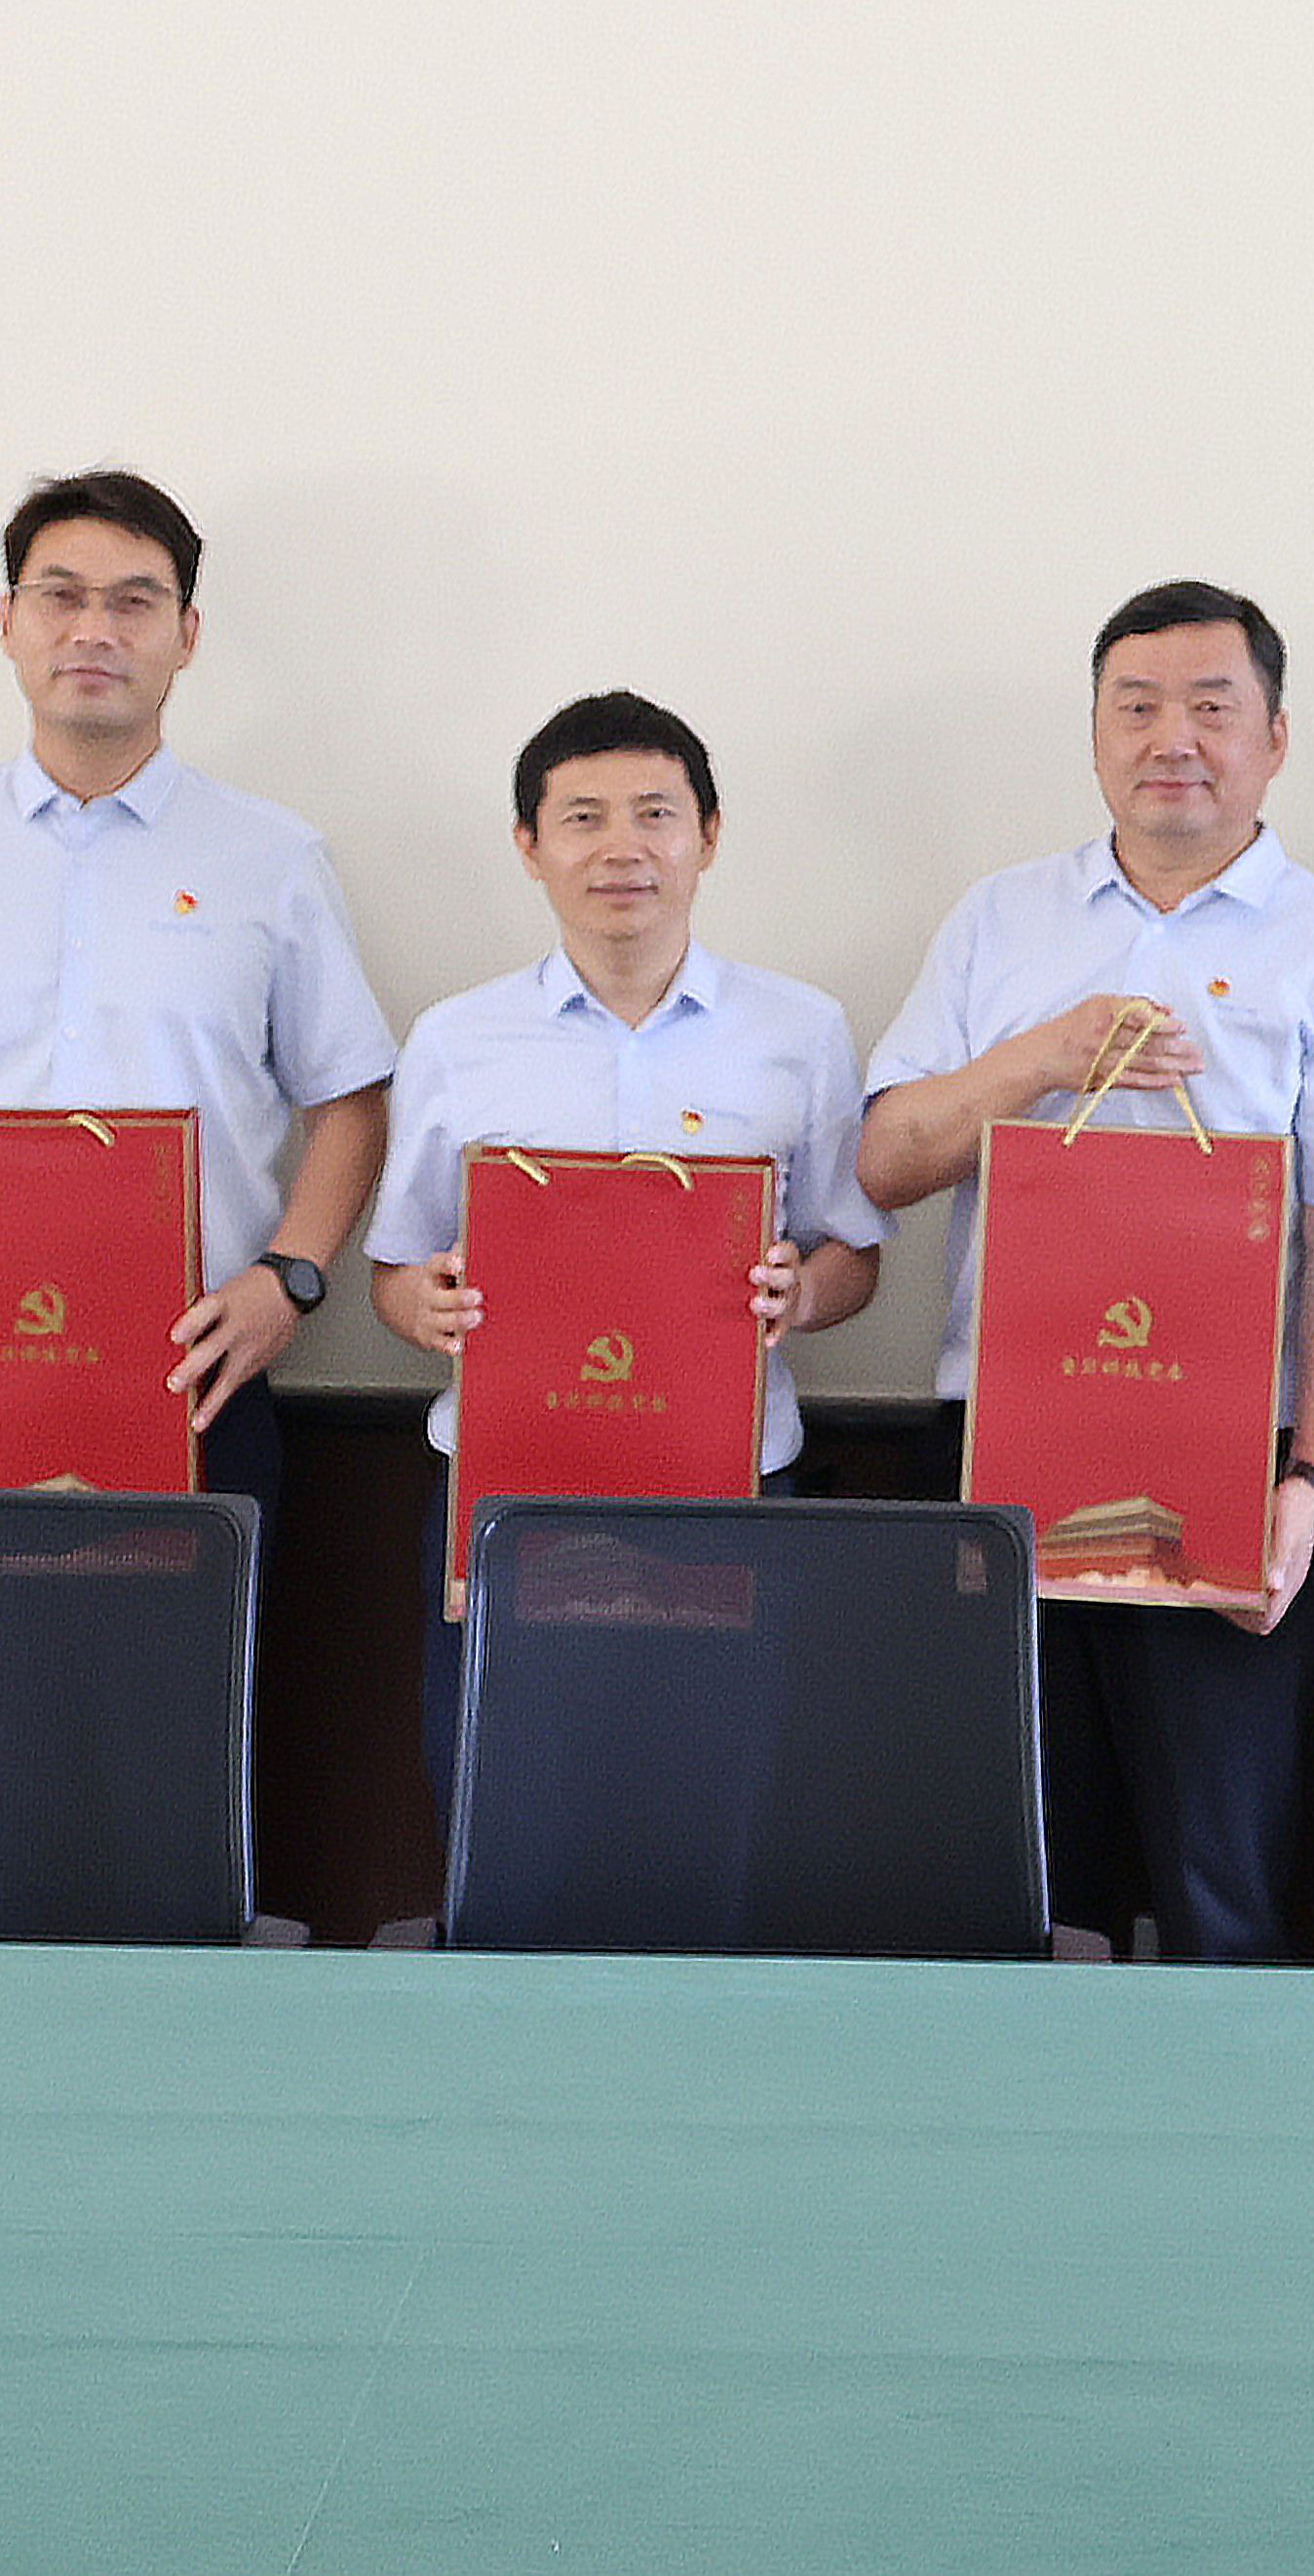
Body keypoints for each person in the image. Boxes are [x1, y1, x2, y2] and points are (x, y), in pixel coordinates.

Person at [856, 581, 1314, 1962]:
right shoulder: (999, 920)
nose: (1174, 736)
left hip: (1234, 1457)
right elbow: (886, 1161)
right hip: (1003, 1445)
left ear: (1274, 738)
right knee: (1023, 1881)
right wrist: (1042, 1056)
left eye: (1212, 706)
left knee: (1223, 1878)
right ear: (1096, 732)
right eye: (1138, 705)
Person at [0, 470, 394, 1529]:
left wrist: (289, 1279)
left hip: (192, 1365)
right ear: (7, 620)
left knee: (178, 1643)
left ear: (186, 634)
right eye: (60, 596)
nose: (93, 630)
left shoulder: (271, 857)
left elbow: (349, 1101)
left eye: (133, 601)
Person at [367, 689, 882, 1811]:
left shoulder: (800, 1031)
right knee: (505, 1799)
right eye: (582, 817)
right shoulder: (457, 1037)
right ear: (529, 846)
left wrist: (802, 1293)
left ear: (708, 834)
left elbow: (853, 1252)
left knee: (711, 1793)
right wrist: (425, 1306)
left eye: (655, 812)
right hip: (507, 1485)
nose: (622, 847)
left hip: (730, 1480)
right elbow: (395, 1269)